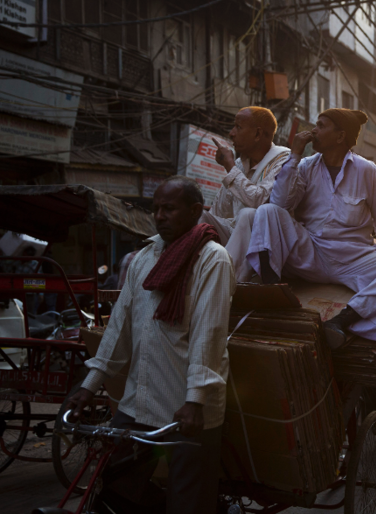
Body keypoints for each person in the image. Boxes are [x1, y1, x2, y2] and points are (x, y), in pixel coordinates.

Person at [66, 176, 235, 514]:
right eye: (156, 208)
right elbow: (119, 328)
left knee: (186, 502)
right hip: (138, 403)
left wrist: (195, 400)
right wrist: (89, 385)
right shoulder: (144, 257)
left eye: (169, 209)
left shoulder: (212, 259)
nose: (159, 215)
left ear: (195, 210)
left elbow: (209, 334)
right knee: (116, 491)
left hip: (184, 408)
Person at [247, 108, 376, 347]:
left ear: (340, 136)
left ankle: (341, 322)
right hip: (311, 253)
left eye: (321, 125)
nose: (314, 131)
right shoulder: (304, 166)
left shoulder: (368, 171)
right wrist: (293, 156)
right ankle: (273, 293)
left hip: (352, 259)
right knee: (267, 211)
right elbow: (280, 203)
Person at [200, 107, 290, 282]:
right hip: (235, 237)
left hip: (266, 243)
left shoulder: (283, 159)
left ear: (258, 134)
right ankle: (194, 271)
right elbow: (219, 212)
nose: (232, 133)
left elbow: (259, 200)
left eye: (238, 127)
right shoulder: (240, 164)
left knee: (248, 214)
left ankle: (225, 279)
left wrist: (229, 167)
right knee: (201, 217)